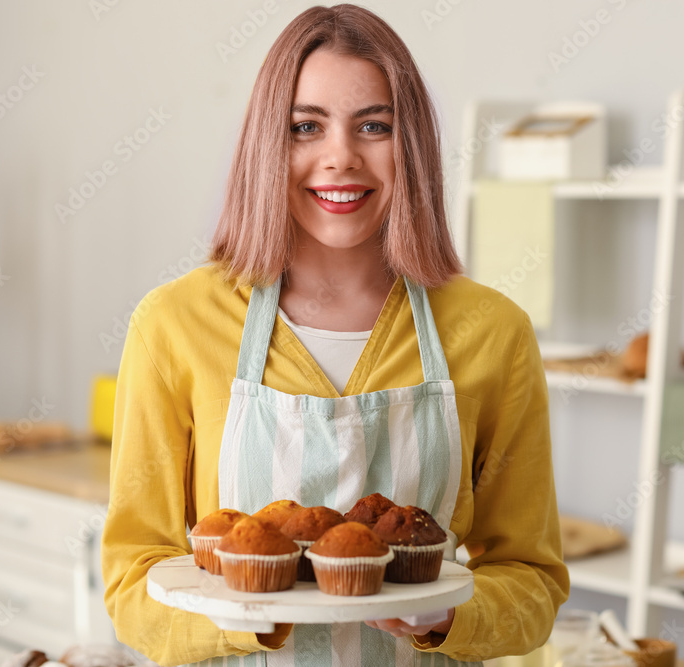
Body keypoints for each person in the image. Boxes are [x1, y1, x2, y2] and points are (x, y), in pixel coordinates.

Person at [101, 4, 569, 666]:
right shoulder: (174, 324)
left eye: (374, 125)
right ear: (268, 143)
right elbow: (131, 579)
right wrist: (250, 620)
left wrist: (450, 614)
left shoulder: (493, 333)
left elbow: (534, 581)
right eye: (305, 127)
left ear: (412, 145)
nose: (340, 157)